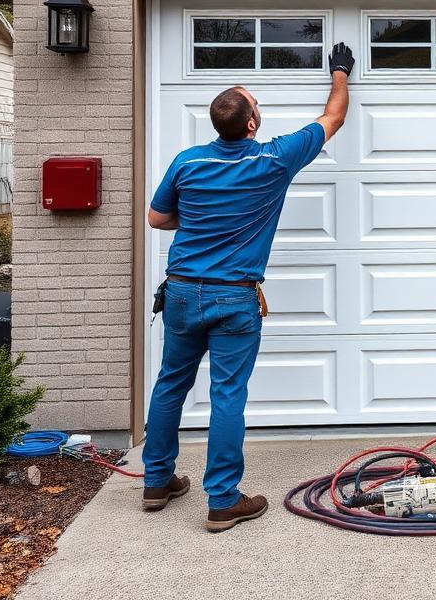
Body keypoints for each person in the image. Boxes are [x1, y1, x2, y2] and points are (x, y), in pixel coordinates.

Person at [140, 43, 354, 532]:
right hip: (234, 296)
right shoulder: (273, 160)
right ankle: (222, 500)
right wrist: (339, 73)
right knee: (228, 393)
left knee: (171, 381)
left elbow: (157, 219)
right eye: (257, 104)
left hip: (181, 291)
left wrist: (200, 222)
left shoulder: (188, 162)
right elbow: (333, 117)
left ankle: (156, 481)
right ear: (252, 124)